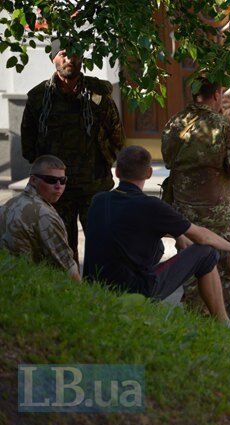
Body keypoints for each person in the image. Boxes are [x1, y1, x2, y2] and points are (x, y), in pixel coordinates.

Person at [83, 146, 230, 325]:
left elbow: (129, 224)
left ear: (116, 172)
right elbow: (202, 237)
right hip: (133, 291)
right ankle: (224, 324)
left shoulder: (98, 200)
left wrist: (178, 234)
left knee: (158, 246)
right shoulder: (150, 206)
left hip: (96, 287)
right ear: (149, 173)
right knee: (207, 253)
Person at [21, 38, 124, 264]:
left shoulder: (98, 95)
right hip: (56, 190)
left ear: (82, 58)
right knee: (60, 253)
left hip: (94, 187)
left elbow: (117, 137)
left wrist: (102, 163)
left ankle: (101, 296)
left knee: (103, 249)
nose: (69, 60)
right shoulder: (39, 98)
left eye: (75, 54)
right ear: (53, 58)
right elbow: (28, 146)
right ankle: (69, 295)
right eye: (63, 54)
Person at [161, 78, 230, 327]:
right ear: (215, 94)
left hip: (185, 216)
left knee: (193, 275)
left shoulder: (174, 124)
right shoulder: (224, 127)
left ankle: (197, 328)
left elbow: (168, 161)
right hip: (220, 217)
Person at [0, 155, 79, 281]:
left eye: (63, 180)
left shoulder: (8, 204)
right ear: (33, 180)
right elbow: (69, 269)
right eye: (51, 180)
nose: (58, 186)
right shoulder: (45, 215)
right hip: (30, 286)